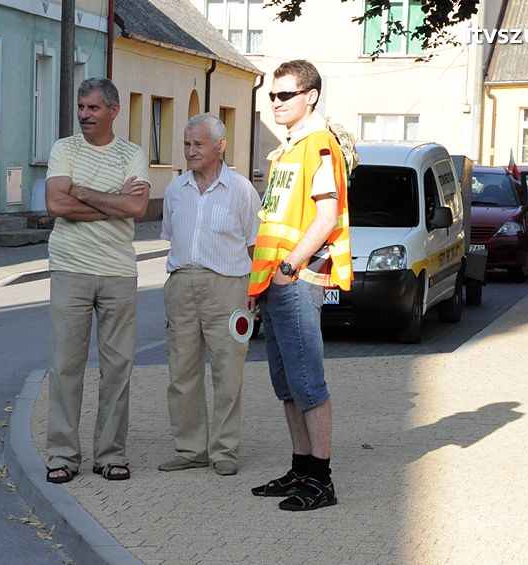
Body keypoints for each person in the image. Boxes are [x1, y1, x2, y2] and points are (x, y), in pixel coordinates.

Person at [246, 60, 353, 511]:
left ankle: (321, 481)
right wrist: (261, 284)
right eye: (272, 95)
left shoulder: (319, 145)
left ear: (310, 97)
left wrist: (289, 267)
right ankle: (301, 469)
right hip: (275, 281)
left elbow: (326, 217)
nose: (276, 102)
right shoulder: (286, 150)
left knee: (308, 383)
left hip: (296, 279)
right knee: (288, 384)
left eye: (285, 94)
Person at [44, 78, 151, 483]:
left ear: (114, 111)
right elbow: (56, 203)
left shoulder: (132, 154)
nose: (85, 115)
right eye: (81, 107)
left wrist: (82, 191)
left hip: (118, 272)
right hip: (70, 268)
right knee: (65, 366)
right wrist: (113, 202)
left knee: (118, 367)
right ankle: (62, 456)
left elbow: (137, 207)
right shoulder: (64, 149)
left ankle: (110, 454)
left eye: (93, 108)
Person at [158, 114, 260, 476]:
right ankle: (190, 449)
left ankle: (224, 450)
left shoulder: (242, 190)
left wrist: (254, 290)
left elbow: (255, 246)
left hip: (228, 288)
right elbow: (171, 236)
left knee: (228, 371)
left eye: (198, 144)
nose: (190, 151)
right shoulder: (175, 189)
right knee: (181, 372)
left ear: (220, 146)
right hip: (182, 284)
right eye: (187, 144)